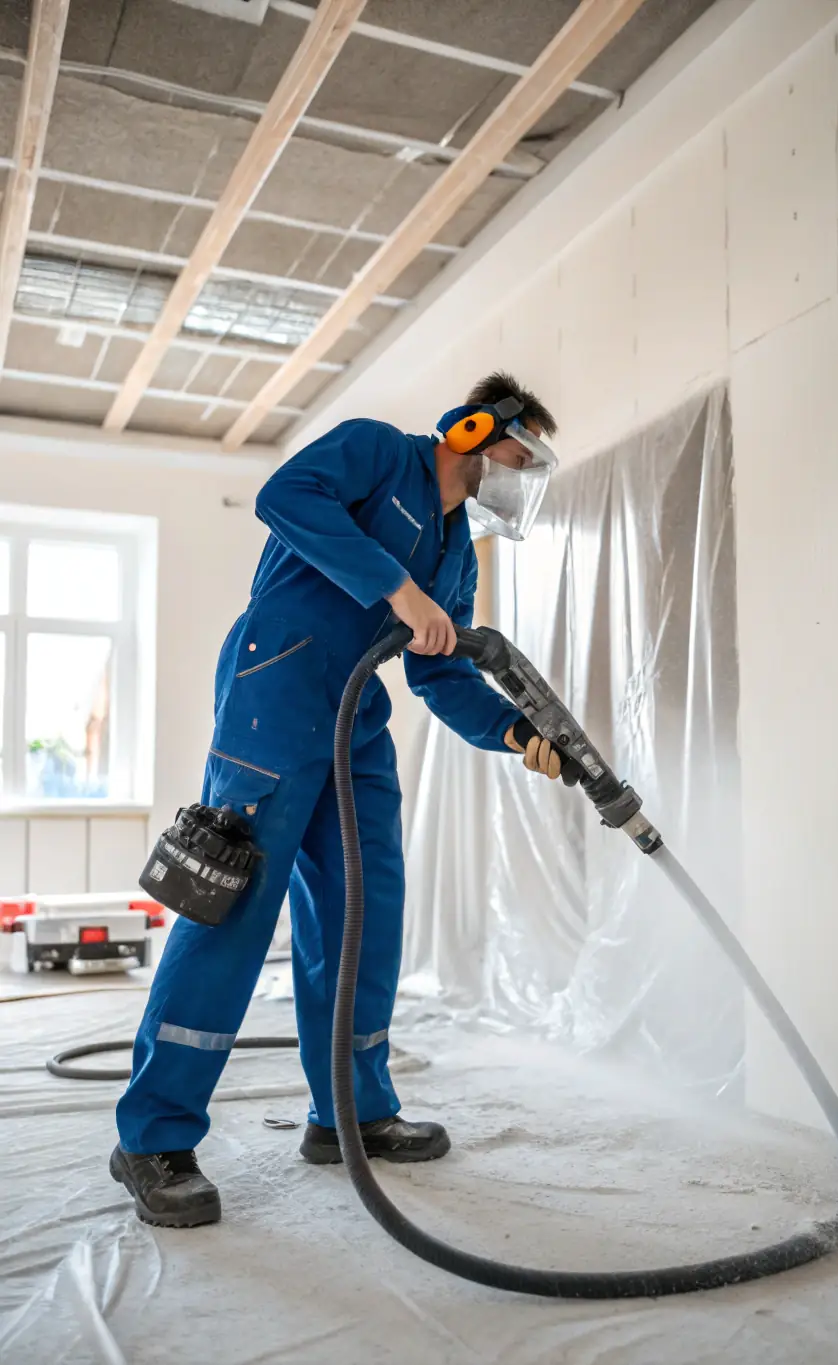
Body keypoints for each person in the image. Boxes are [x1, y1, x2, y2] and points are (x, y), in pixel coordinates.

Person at [110, 372, 562, 1228]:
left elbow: (440, 673)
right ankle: (153, 1137)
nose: (521, 474)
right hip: (277, 688)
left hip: (355, 719)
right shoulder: (377, 452)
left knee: (364, 908)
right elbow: (284, 495)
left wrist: (514, 731)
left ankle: (350, 1111)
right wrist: (396, 587)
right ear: (473, 429)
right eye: (520, 453)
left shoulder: (458, 550)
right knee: (233, 902)